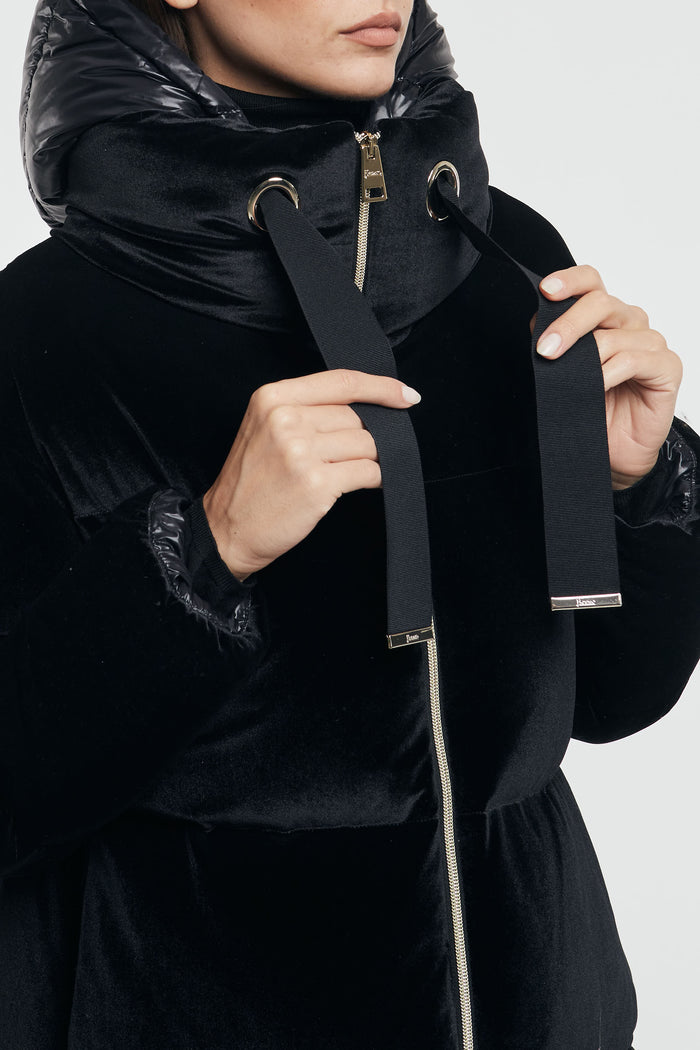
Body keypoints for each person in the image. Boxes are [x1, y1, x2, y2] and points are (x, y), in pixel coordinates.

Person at [1, 1, 698, 1048]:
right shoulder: (46, 326)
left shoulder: (510, 260)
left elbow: (610, 700)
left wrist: (634, 484)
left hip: (545, 1000)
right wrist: (206, 551)